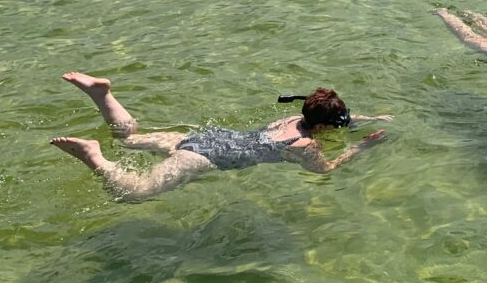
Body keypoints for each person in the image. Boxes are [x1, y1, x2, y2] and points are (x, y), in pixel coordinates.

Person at [51, 72, 390, 201]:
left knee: (127, 140)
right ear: (323, 127)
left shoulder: (290, 117)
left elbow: (328, 117)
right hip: (202, 158)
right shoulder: (304, 146)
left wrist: (367, 117)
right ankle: (94, 156)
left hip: (204, 137)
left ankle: (102, 95)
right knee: (135, 192)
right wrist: (361, 146)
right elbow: (325, 170)